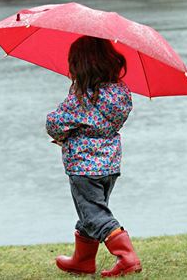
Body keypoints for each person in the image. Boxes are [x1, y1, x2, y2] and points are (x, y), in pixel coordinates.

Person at [46, 35, 142, 277]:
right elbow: (99, 123)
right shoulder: (120, 93)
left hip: (83, 167)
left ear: (80, 66)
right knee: (92, 211)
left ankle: (127, 257)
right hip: (109, 165)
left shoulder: (82, 97)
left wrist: (64, 131)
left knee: (94, 213)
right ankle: (82, 260)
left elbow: (54, 124)